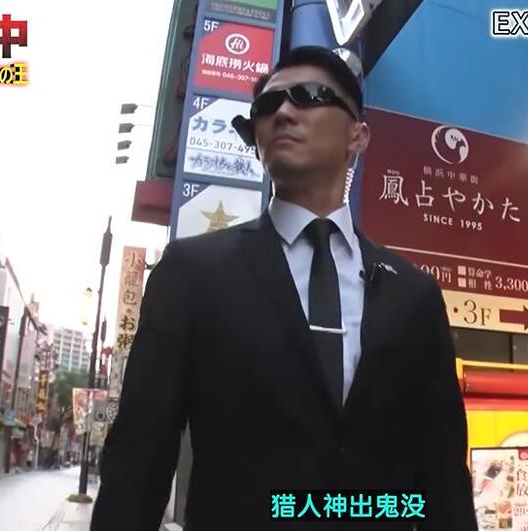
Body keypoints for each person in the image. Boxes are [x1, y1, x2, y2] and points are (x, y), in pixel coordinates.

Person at [91, 46, 477, 531]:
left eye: (309, 96)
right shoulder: (192, 272)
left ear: (358, 135)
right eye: (267, 106)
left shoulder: (414, 295)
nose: (284, 113)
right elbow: (139, 456)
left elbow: (443, 475)